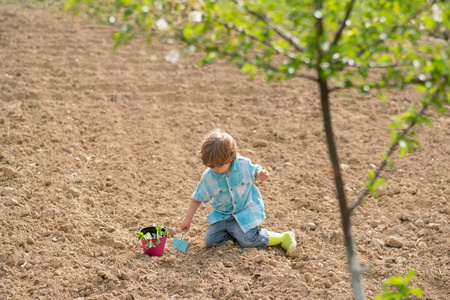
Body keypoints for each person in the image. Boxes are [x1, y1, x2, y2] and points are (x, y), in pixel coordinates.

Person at [180, 129, 297, 256]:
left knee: (248, 240)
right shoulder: (208, 177)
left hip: (243, 212)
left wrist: (260, 175)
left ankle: (282, 237)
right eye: (211, 166)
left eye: (218, 166)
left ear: (230, 158)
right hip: (222, 215)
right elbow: (198, 197)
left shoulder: (243, 165)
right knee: (211, 241)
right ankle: (237, 234)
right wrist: (188, 218)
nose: (215, 169)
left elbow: (255, 172)